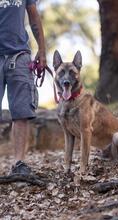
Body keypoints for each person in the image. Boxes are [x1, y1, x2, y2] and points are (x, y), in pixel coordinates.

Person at [0, 0, 46, 175]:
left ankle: (19, 163)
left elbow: (34, 17)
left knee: (21, 111)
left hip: (19, 55)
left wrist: (42, 51)